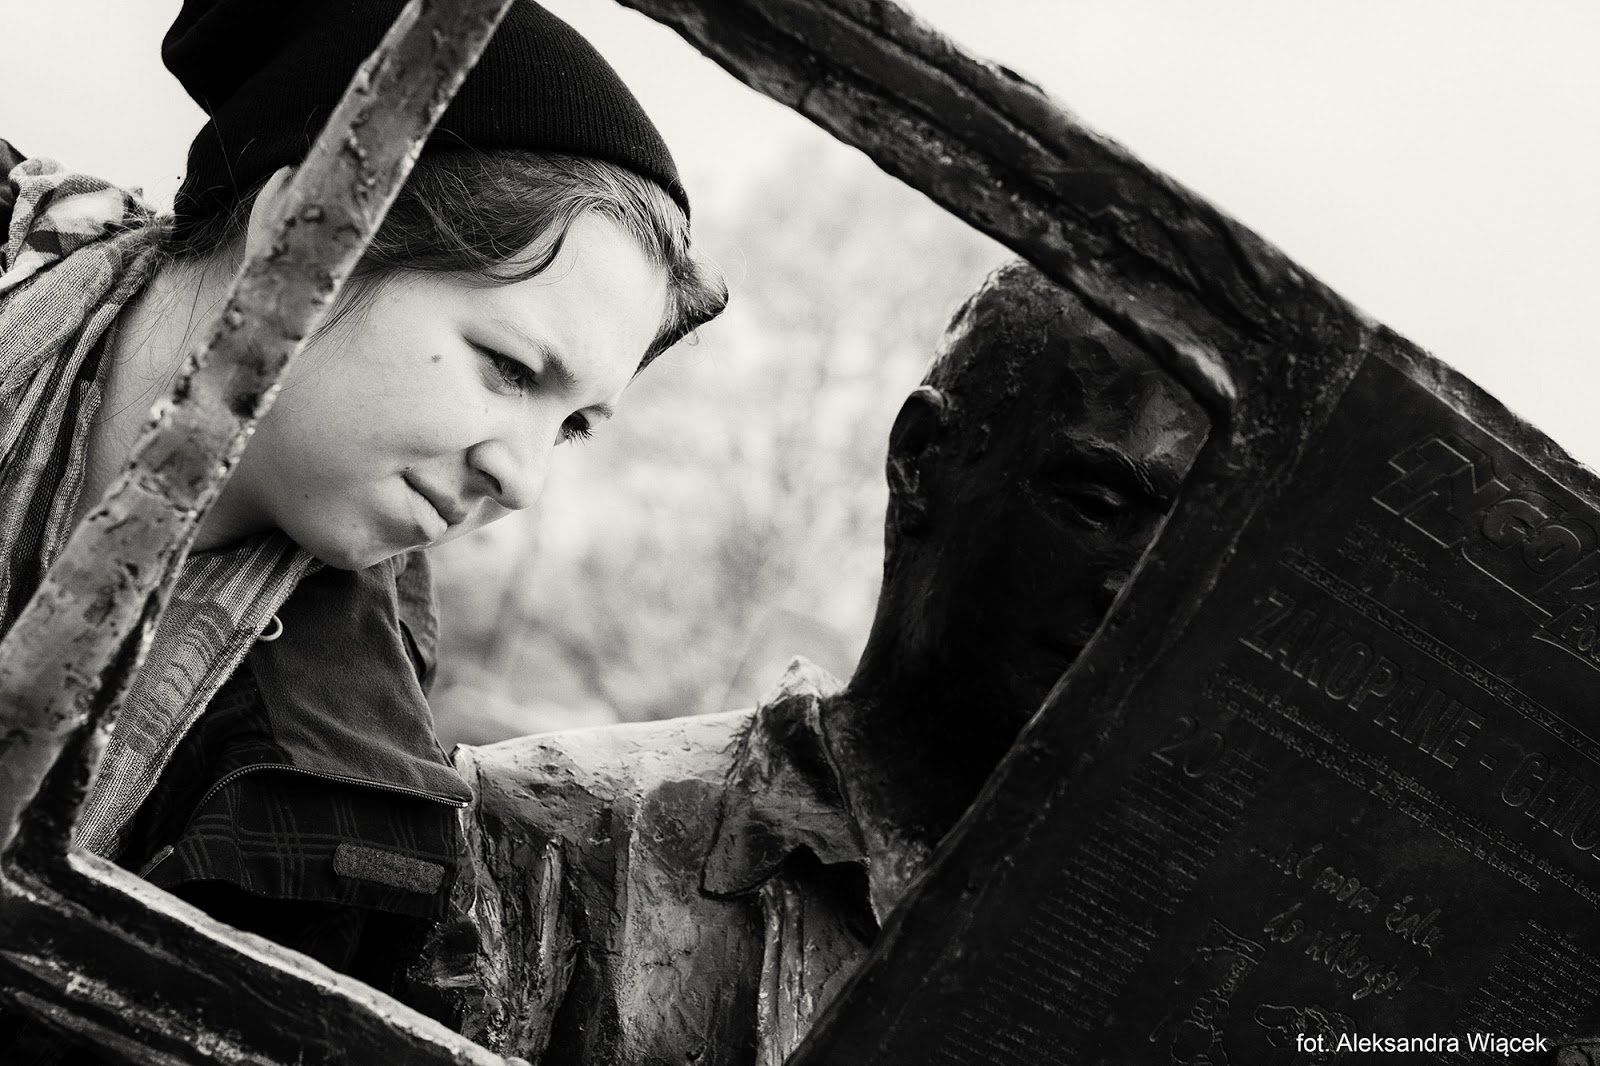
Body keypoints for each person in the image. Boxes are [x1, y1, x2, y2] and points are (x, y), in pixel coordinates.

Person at [0, 0, 724, 1054]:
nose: (522, 478)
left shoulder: (347, 818)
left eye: (571, 425)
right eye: (510, 368)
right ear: (304, 232)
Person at [404, 261, 1210, 1064]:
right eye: (1097, 508)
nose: (1136, 592)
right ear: (921, 459)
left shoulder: (1164, 988)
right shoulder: (544, 836)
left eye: (1190, 561)